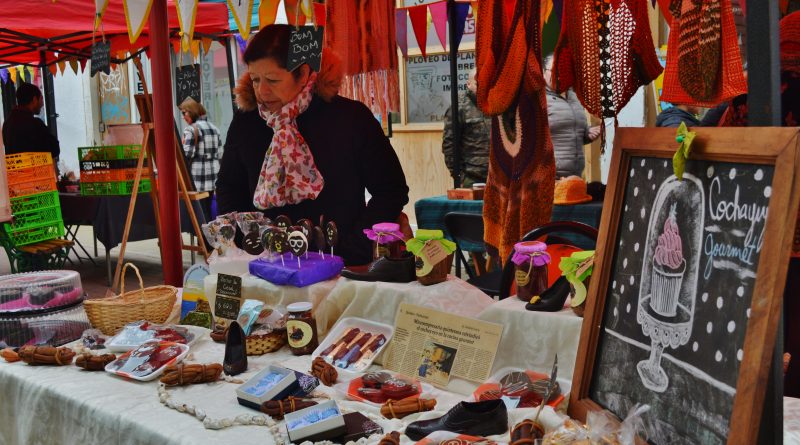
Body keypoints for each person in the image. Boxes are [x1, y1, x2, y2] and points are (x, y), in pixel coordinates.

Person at [216, 24, 409, 266]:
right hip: (268, 265)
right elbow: (229, 187)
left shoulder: (350, 117)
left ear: (304, 73)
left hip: (342, 263)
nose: (262, 91)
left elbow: (390, 190)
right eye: (255, 80)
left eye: (273, 80)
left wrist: (354, 246)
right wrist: (249, 244)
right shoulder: (247, 122)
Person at [543, 55, 600, 178]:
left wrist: (587, 134)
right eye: (553, 70)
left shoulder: (574, 97)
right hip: (549, 178)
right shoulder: (539, 100)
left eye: (563, 70)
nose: (559, 74)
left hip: (575, 175)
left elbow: (571, 132)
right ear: (543, 72)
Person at [441, 69, 490, 188]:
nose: (483, 87)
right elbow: (449, 146)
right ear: (468, 84)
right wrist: (459, 177)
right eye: (478, 83)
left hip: (497, 177)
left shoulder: (495, 104)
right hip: (471, 178)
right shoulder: (459, 107)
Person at [179, 97, 222, 222]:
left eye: (184, 113)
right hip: (213, 176)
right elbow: (220, 153)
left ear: (192, 111)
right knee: (208, 210)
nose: (183, 117)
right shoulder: (215, 128)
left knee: (200, 213)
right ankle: (209, 238)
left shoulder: (191, 130)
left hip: (198, 177)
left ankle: (203, 240)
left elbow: (187, 154)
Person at [2, 82, 60, 160]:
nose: (42, 103)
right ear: (34, 99)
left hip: (16, 172)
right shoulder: (35, 125)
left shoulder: (7, 125)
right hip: (34, 171)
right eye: (41, 98)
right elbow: (55, 149)